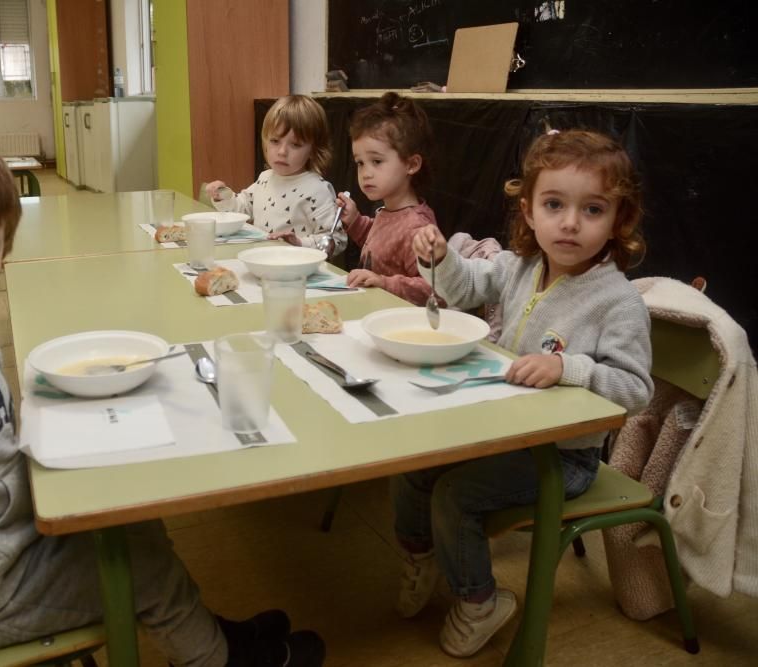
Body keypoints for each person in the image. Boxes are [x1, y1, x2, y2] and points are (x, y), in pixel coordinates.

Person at [0, 131, 325, 667]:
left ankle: (206, 634)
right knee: (144, 569)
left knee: (134, 521)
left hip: (16, 537)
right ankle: (215, 657)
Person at [397, 129, 654, 658]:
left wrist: (569, 366)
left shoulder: (619, 303)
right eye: (554, 204)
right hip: (501, 428)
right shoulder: (519, 267)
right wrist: (440, 255)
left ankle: (480, 601)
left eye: (593, 209)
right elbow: (464, 287)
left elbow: (635, 391)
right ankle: (419, 554)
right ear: (529, 212)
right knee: (412, 462)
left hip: (563, 457)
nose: (569, 223)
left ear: (617, 221)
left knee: (455, 495)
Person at [333, 92, 441, 305]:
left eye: (376, 161)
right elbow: (382, 245)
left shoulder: (417, 227)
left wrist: (384, 283)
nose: (366, 173)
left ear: (411, 165)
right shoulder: (389, 211)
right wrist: (355, 221)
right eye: (360, 163)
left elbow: (435, 290)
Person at [205, 94, 345, 256]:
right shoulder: (265, 178)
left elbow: (337, 239)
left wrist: (300, 243)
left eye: (295, 144)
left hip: (298, 272)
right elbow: (242, 208)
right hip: (261, 262)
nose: (282, 151)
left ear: (313, 151)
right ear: (265, 142)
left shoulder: (317, 189)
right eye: (275, 141)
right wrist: (223, 195)